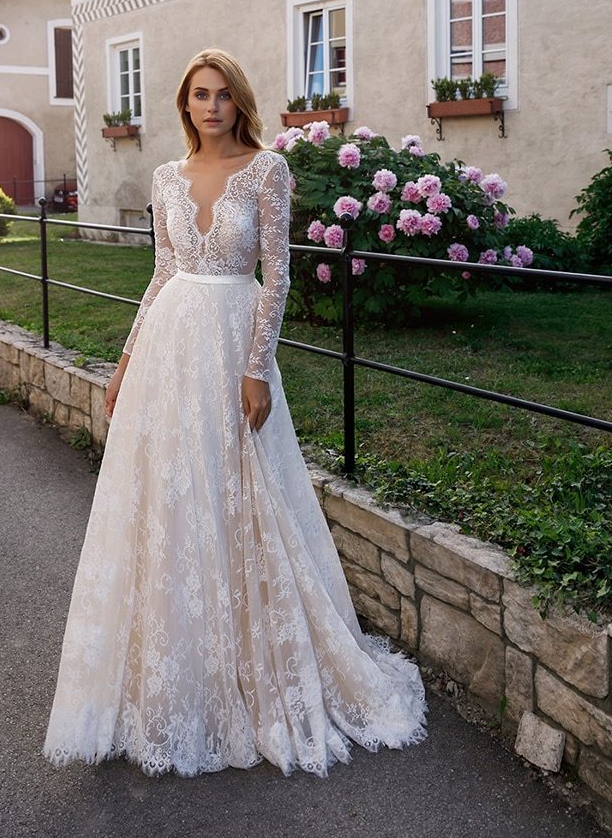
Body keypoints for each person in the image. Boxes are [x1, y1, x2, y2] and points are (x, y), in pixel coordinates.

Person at [43, 48, 427, 777]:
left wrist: (257, 369)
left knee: (240, 489)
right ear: (185, 105)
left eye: (222, 94)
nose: (211, 106)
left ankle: (256, 656)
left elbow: (276, 274)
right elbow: (160, 273)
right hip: (170, 347)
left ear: (238, 102)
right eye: (199, 95)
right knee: (174, 499)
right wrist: (124, 363)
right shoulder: (164, 177)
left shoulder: (267, 170)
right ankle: (176, 662)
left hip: (231, 342)